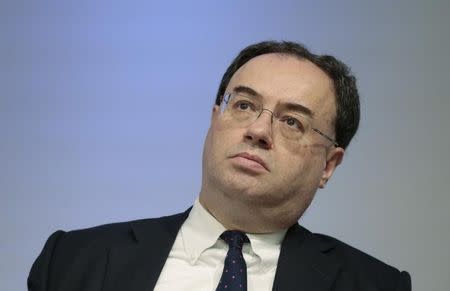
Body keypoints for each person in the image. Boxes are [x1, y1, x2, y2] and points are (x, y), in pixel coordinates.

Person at [28, 41, 411, 291]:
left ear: (329, 164)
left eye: (292, 121)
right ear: (215, 120)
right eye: (244, 105)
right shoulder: (72, 261)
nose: (259, 130)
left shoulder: (375, 285)